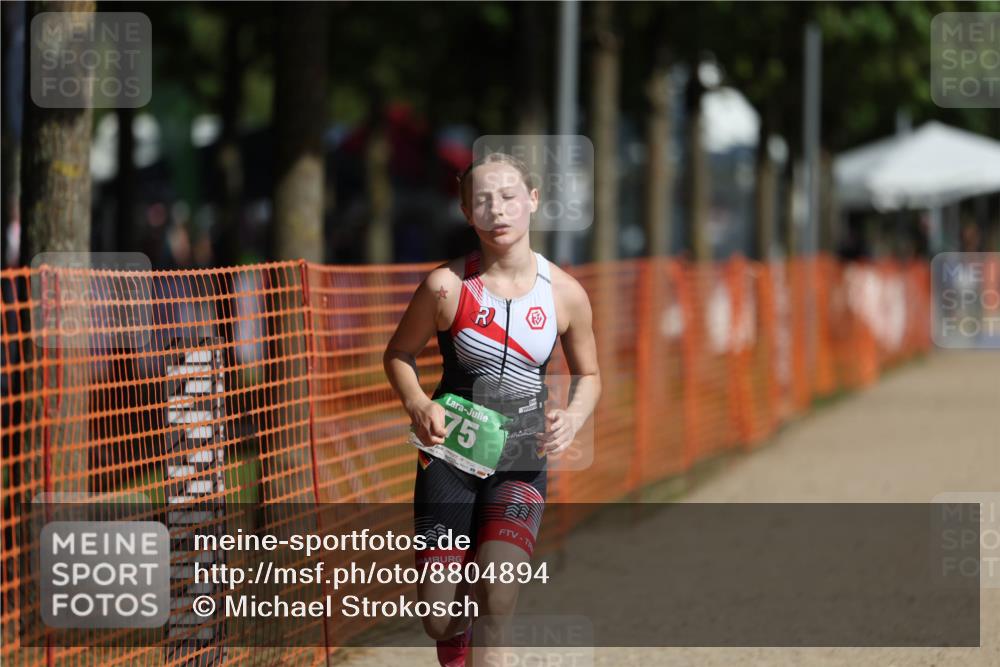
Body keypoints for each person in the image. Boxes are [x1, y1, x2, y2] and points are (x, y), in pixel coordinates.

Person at [383, 152, 601, 666]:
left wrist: (572, 417)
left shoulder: (566, 295)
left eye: (507, 197)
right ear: (466, 212)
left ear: (532, 200)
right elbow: (397, 353)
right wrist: (416, 401)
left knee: (497, 599)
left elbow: (590, 375)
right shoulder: (446, 287)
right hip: (450, 457)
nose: (497, 210)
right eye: (482, 200)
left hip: (521, 461)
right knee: (439, 618)